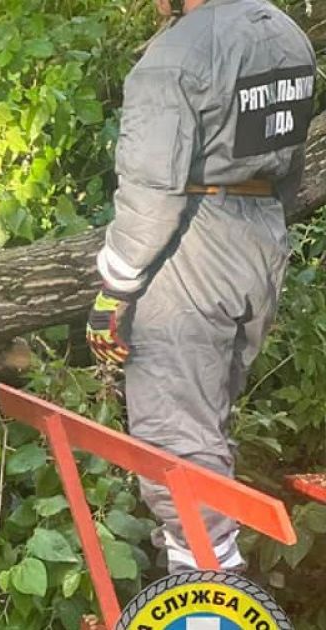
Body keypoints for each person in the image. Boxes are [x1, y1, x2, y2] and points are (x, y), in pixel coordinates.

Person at [86, 0, 314, 574]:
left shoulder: (177, 54)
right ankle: (199, 573)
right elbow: (290, 166)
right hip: (260, 238)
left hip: (193, 246)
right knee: (207, 426)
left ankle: (210, 594)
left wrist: (114, 289)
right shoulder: (286, 34)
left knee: (176, 442)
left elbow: (151, 193)